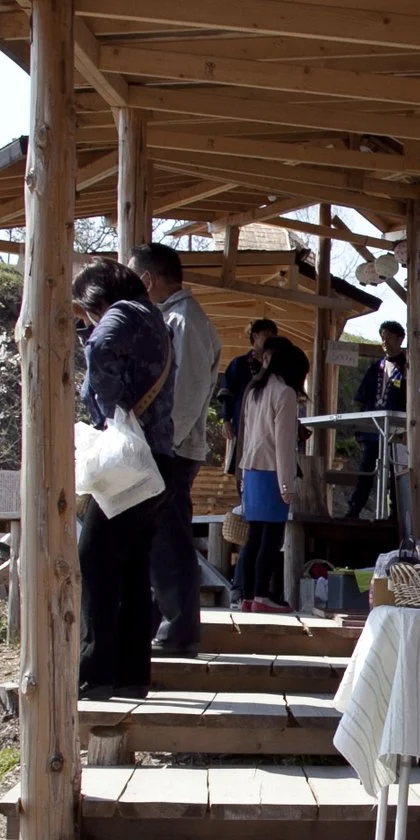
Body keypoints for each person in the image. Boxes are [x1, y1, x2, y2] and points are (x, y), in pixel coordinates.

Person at [73, 261, 175, 698]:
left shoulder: (122, 314)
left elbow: (99, 349)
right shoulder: (154, 318)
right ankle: (133, 674)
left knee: (94, 559)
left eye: (85, 312)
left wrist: (108, 411)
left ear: (98, 299)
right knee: (133, 565)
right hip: (157, 457)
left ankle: (95, 673)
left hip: (130, 460)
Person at [130, 242, 221, 657]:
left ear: (149, 278)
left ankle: (179, 628)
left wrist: (162, 447)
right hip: (169, 445)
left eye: (135, 276)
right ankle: (161, 622)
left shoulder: (185, 322)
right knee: (156, 537)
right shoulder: (173, 318)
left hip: (173, 448)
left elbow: (185, 394)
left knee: (169, 538)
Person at [233, 333, 308, 608]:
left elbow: (245, 435)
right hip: (272, 471)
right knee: (271, 537)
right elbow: (284, 444)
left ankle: (248, 594)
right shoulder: (285, 393)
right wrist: (287, 485)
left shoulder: (253, 390)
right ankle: (263, 594)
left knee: (254, 537)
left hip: (251, 469)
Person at [346, 320, 406, 517]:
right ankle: (355, 509)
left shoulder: (408, 367)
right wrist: (360, 426)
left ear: (400, 339)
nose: (385, 341)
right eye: (382, 337)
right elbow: (362, 399)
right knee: (366, 470)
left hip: (396, 430)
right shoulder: (375, 368)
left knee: (394, 471)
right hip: (373, 429)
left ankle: (395, 513)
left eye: (389, 337)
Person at [219, 318, 277, 473]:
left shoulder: (276, 367)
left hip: (268, 425)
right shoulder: (239, 364)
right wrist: (226, 420)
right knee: (241, 467)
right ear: (255, 336)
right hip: (242, 422)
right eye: (266, 334)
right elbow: (227, 393)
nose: (270, 338)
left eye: (273, 335)